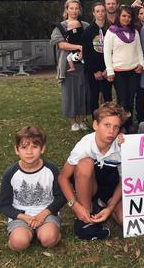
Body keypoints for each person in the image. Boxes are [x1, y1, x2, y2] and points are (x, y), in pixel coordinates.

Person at [58, 102, 129, 240]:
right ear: (95, 125)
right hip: (90, 184)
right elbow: (63, 178)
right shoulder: (84, 145)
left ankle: (103, 206)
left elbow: (124, 181)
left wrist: (110, 207)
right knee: (85, 163)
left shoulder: (122, 146)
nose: (111, 131)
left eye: (116, 127)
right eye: (107, 125)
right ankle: (86, 215)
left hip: (111, 185)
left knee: (124, 220)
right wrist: (75, 206)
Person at [0, 126, 65, 251]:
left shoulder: (51, 170)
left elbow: (61, 197)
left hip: (46, 213)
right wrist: (23, 217)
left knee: (48, 239)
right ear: (16, 150)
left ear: (43, 149)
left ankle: (50, 232)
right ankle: (21, 234)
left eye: (34, 147)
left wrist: (44, 213)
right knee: (19, 243)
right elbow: (4, 205)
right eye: (24, 147)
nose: (29, 152)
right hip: (21, 216)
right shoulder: (10, 174)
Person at [50, 0, 89, 131]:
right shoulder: (60, 27)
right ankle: (73, 122)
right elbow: (61, 44)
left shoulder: (85, 26)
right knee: (70, 93)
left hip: (83, 65)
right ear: (66, 10)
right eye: (71, 8)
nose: (74, 11)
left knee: (83, 92)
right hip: (67, 65)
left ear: (80, 10)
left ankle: (82, 120)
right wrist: (79, 46)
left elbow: (90, 42)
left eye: (76, 8)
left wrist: (85, 50)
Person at [103, 6, 144, 133]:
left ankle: (130, 123)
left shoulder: (135, 32)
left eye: (129, 16)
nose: (126, 19)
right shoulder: (111, 32)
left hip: (133, 71)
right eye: (124, 16)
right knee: (122, 100)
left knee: (130, 99)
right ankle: (121, 125)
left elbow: (139, 50)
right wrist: (109, 70)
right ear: (119, 16)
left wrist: (141, 64)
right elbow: (106, 52)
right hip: (118, 72)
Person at [82, 2, 113, 116]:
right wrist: (95, 71)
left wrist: (107, 69)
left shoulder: (110, 29)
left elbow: (114, 51)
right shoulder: (88, 31)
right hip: (93, 70)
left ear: (105, 12)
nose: (100, 14)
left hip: (107, 68)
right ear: (93, 13)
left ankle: (109, 117)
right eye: (98, 11)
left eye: (102, 11)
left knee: (107, 95)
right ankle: (96, 120)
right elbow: (87, 53)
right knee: (94, 96)